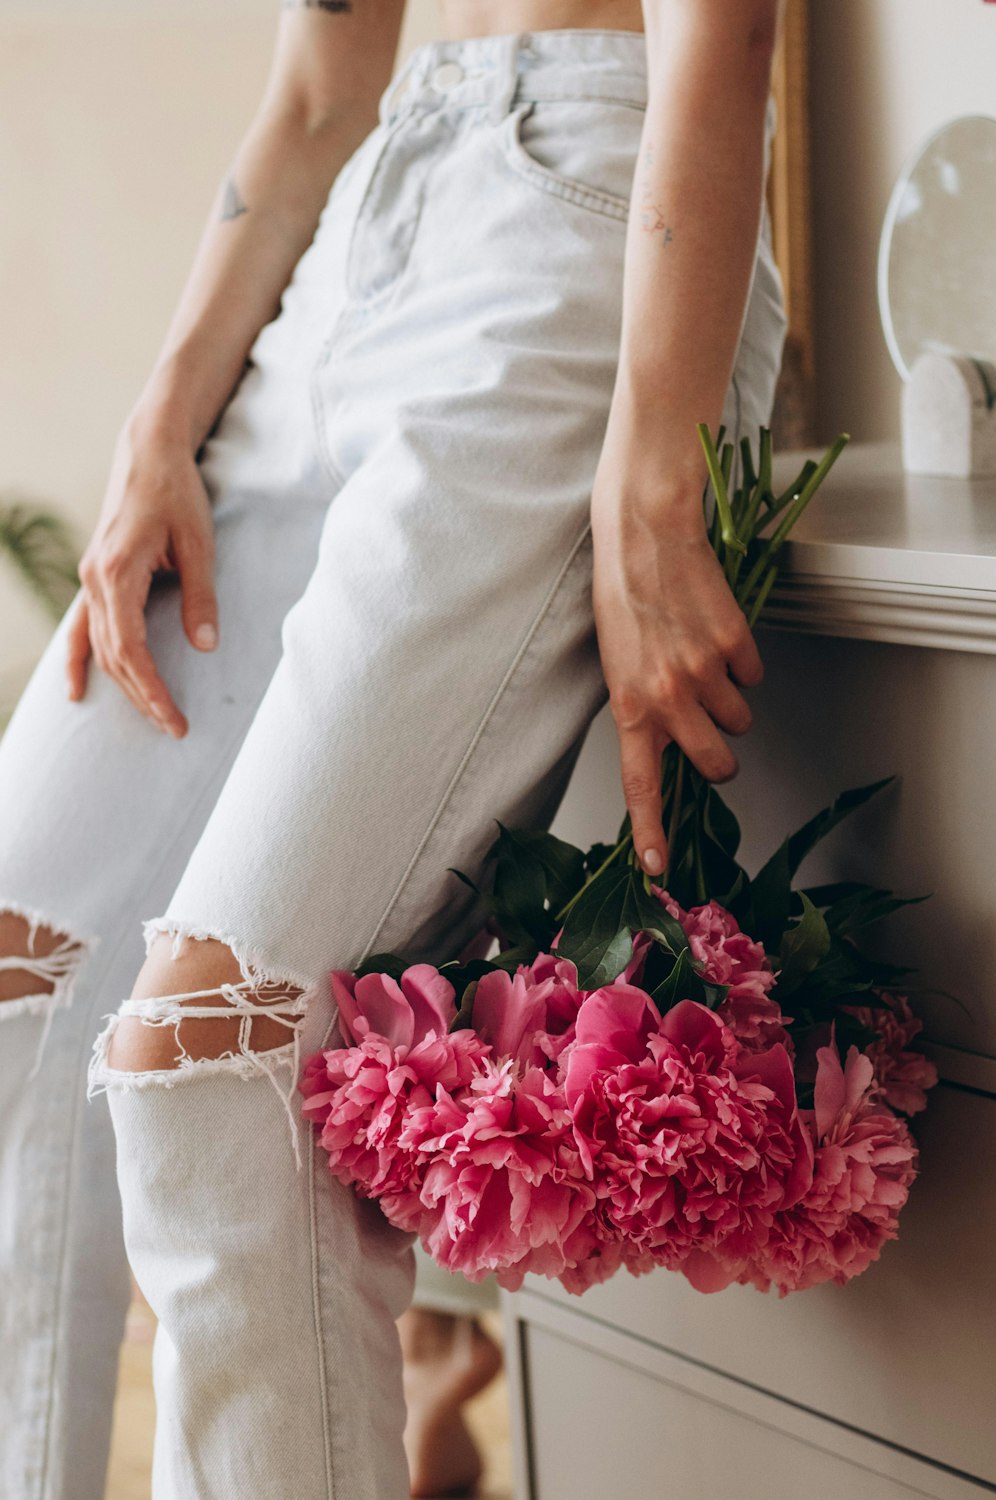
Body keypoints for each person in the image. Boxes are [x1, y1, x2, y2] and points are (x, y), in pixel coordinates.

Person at [0, 0, 788, 1496]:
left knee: (208, 1066)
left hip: (580, 223)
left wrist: (662, 439)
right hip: (356, 228)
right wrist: (160, 414)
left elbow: (723, 24)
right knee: (11, 982)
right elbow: (319, 80)